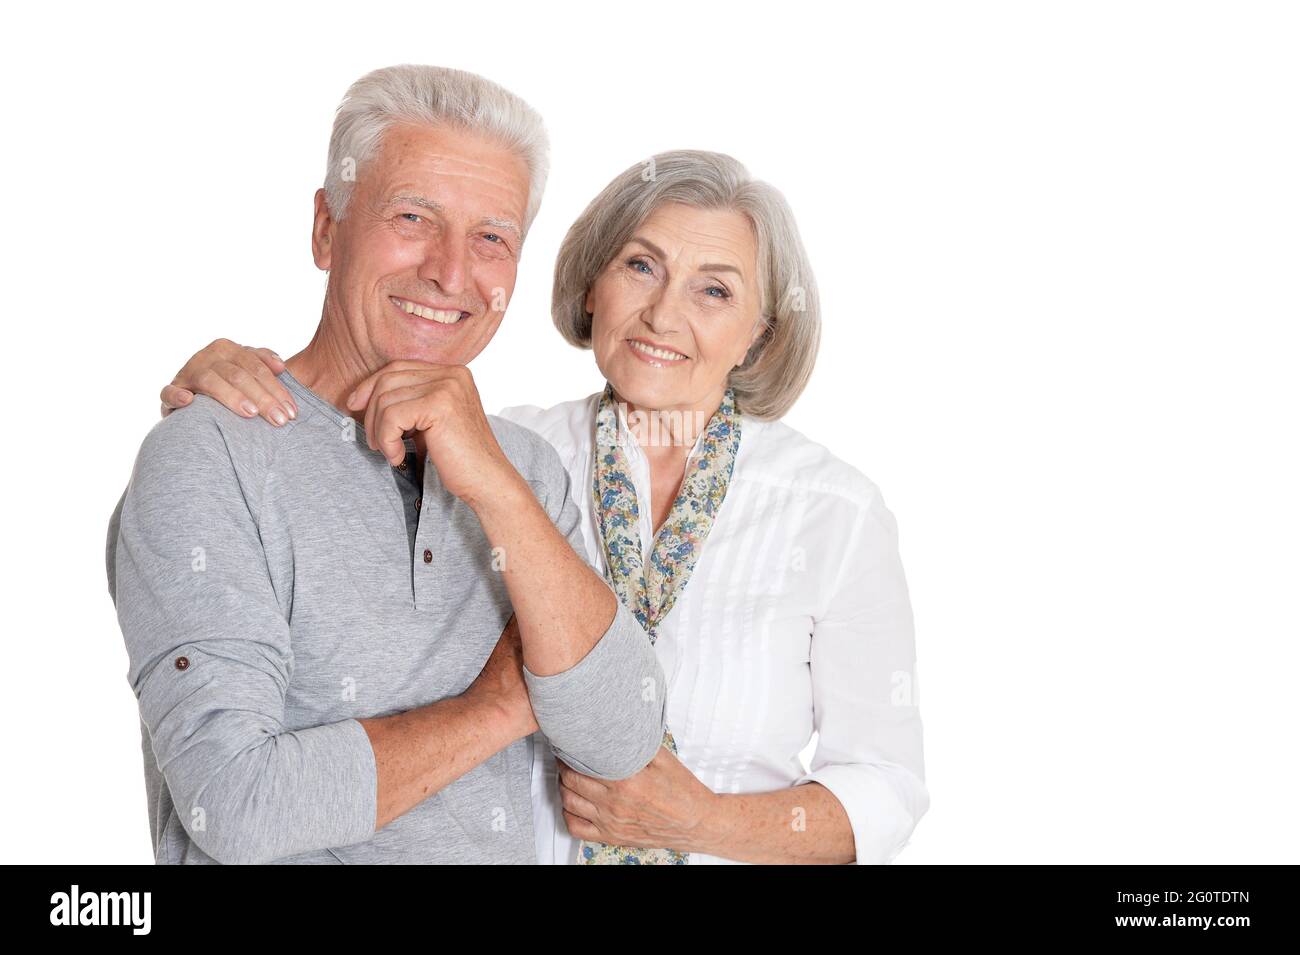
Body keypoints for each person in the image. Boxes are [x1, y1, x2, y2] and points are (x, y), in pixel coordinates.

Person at [162, 149, 931, 864]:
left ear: (759, 334)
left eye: (715, 289)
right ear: (592, 286)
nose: (664, 315)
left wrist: (696, 819)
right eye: (641, 266)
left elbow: (887, 786)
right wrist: (229, 388)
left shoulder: (832, 514)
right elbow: (331, 422)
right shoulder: (494, 455)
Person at [105, 64, 667, 865]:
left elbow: (621, 740)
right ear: (326, 229)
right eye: (413, 216)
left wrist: (494, 482)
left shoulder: (528, 472)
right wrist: (501, 708)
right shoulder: (211, 454)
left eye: (492, 239)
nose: (449, 270)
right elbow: (235, 803)